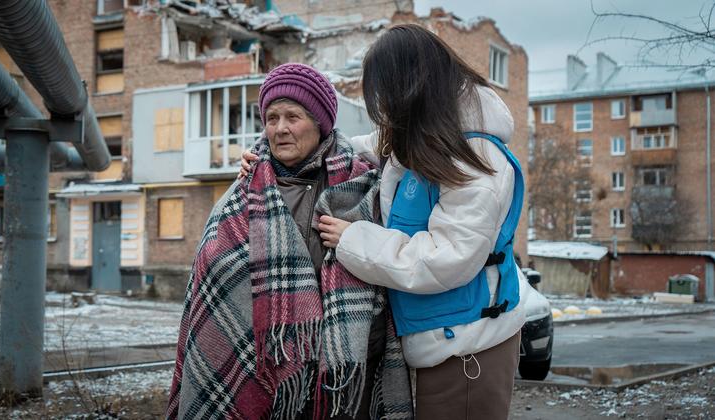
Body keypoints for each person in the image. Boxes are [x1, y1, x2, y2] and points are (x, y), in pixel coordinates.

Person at [240, 24, 528, 419]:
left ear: (412, 86)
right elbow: (350, 148)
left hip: (469, 344)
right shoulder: (423, 137)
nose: (386, 108)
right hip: (438, 334)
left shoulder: (477, 158)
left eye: (387, 94)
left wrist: (354, 239)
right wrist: (269, 158)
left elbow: (449, 259)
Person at [167, 63, 412, 420]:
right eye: (271, 117)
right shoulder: (242, 196)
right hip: (257, 371)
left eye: (293, 116)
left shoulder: (364, 186)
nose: (280, 128)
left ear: (320, 122)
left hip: (347, 373)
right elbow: (212, 285)